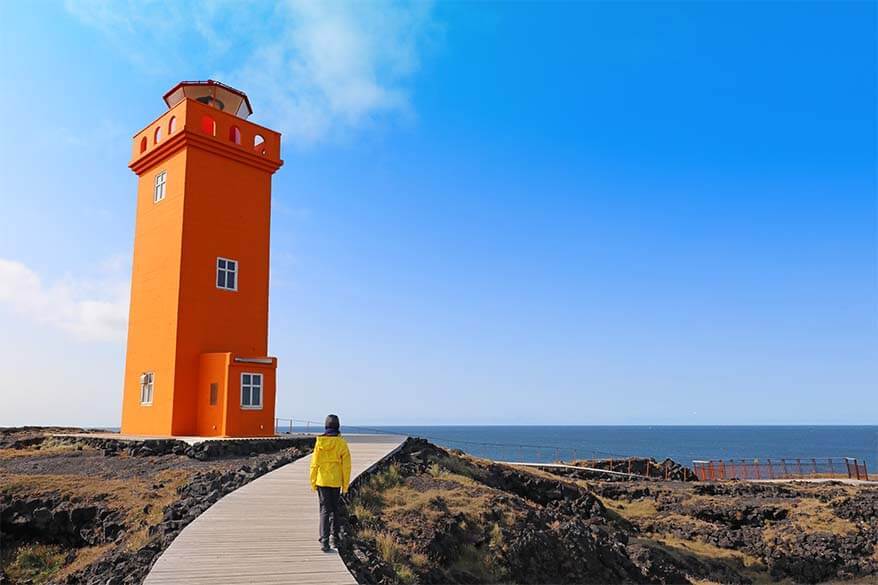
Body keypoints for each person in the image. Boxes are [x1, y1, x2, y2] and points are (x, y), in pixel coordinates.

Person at [310, 414, 351, 552]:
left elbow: (314, 464)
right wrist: (345, 486)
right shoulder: (342, 443)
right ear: (338, 427)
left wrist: (313, 481)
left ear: (326, 426)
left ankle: (324, 541)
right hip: (335, 481)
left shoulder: (319, 443)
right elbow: (346, 466)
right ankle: (335, 539)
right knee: (335, 510)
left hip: (322, 481)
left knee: (324, 510)